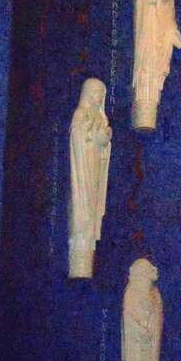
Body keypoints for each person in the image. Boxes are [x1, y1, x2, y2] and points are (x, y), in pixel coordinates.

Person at [132, 0, 181, 131]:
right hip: (147, 32)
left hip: (162, 35)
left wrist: (172, 29)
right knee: (146, 67)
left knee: (158, 71)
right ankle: (142, 112)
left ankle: (151, 108)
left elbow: (170, 12)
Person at [68, 78, 111, 278]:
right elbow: (78, 138)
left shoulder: (99, 118)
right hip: (82, 167)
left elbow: (101, 145)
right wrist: (92, 133)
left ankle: (86, 257)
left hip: (94, 167)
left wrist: (104, 138)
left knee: (91, 205)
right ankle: (79, 258)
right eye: (95, 94)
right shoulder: (80, 115)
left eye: (101, 95)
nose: (98, 98)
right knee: (82, 207)